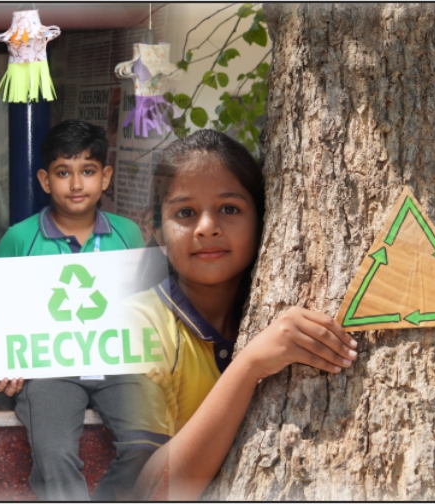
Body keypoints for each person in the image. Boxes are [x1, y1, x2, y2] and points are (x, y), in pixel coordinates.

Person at [123, 130, 357, 500]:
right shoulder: (137, 326)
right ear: (158, 231)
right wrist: (248, 367)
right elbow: (147, 493)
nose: (207, 227)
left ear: (266, 220)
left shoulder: (286, 304)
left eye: (229, 209)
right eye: (185, 213)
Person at [0, 119, 152, 500]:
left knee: (149, 441)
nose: (76, 184)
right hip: (50, 369)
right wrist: (5, 360)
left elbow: (145, 301)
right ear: (45, 181)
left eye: (88, 171)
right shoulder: (20, 238)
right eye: (63, 173)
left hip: (118, 365)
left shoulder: (127, 233)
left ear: (105, 177)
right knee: (54, 452)